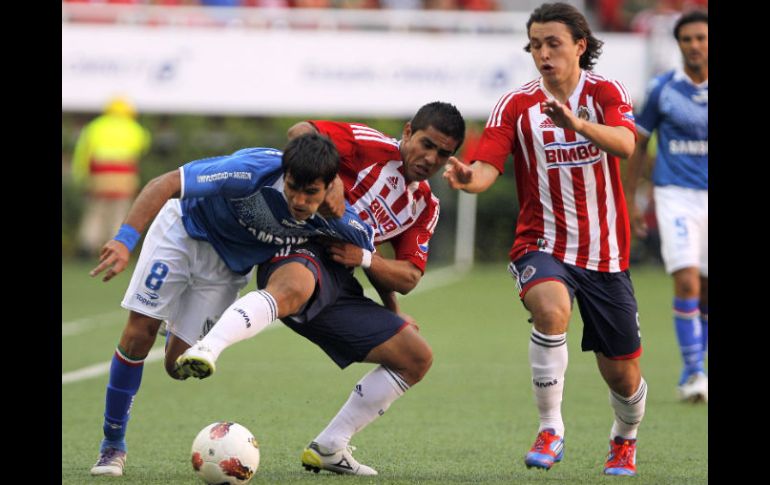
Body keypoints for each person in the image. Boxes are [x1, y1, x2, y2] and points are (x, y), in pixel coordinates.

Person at [175, 102, 466, 476]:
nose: (431, 157)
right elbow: (299, 131)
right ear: (408, 132)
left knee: (416, 357)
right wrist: (334, 181)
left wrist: (366, 263)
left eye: (443, 153)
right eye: (426, 144)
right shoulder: (368, 144)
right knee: (296, 285)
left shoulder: (425, 205)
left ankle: (330, 446)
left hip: (343, 276)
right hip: (299, 244)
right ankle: (209, 347)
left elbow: (408, 276)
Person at [88, 133, 375, 477]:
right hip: (183, 230)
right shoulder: (250, 170)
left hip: (225, 269)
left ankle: (176, 321)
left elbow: (372, 254)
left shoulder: (341, 218)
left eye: (309, 192)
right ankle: (112, 446)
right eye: (292, 187)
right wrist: (124, 240)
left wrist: (394, 309)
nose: (298, 200)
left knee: (177, 367)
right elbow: (163, 183)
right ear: (284, 175)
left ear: (331, 186)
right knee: (139, 332)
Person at [443, 3, 646, 477]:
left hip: (605, 254)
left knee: (622, 374)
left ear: (580, 45)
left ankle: (625, 436)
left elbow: (625, 143)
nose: (543, 53)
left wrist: (577, 125)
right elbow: (487, 168)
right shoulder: (516, 105)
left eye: (553, 43)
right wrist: (468, 176)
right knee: (551, 309)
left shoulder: (605, 91)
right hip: (542, 244)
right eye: (535, 45)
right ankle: (550, 427)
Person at [625, 10, 708, 403]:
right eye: (687, 39)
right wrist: (631, 198)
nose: (694, 45)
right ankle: (693, 373)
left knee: (705, 289)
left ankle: (698, 364)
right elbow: (638, 142)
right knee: (687, 280)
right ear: (678, 45)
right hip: (675, 195)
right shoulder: (662, 89)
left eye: (701, 38)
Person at [71, 96, 152, 258]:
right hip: (124, 176)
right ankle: (115, 246)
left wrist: (80, 176)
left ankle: (87, 246)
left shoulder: (95, 127)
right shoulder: (135, 128)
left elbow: (83, 154)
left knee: (96, 211)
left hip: (100, 176)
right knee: (120, 212)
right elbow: (142, 150)